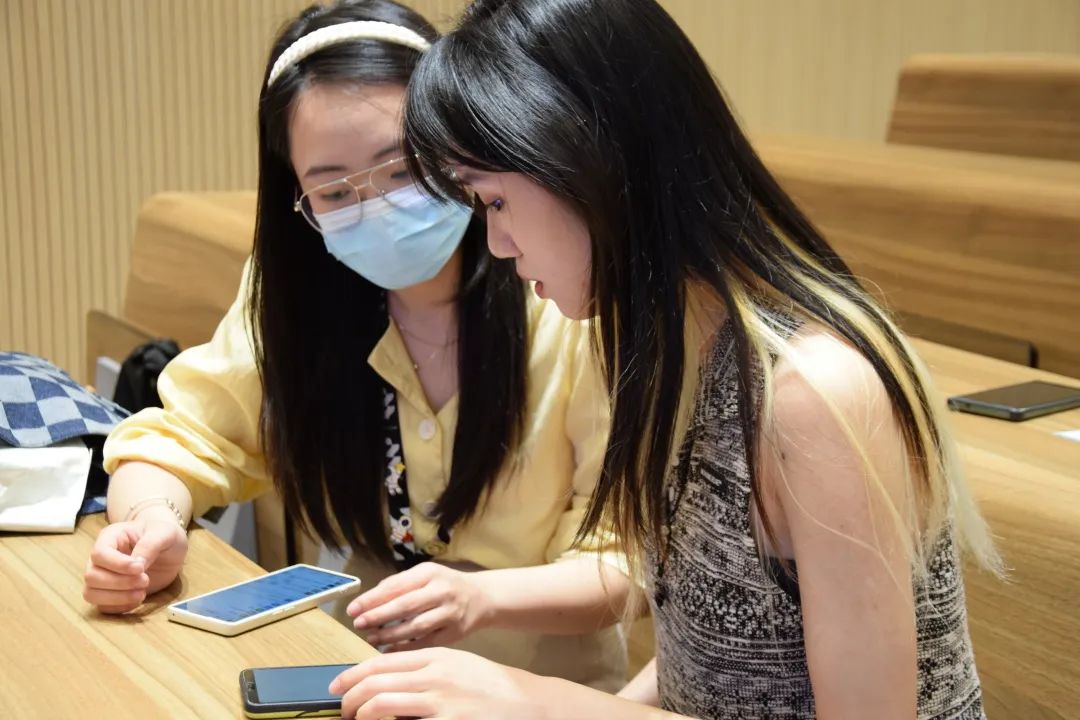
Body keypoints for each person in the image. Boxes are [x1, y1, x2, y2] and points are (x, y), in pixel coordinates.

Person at [328, 0, 1003, 718]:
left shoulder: (814, 395)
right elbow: (704, 656)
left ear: (586, 161)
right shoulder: (663, 348)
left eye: (493, 201)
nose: (496, 244)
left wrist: (543, 703)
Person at [80, 0, 630, 691]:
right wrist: (149, 523)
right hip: (363, 678)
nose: (377, 208)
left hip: (541, 692)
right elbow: (184, 438)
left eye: (402, 170)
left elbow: (626, 560)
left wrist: (480, 598)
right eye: (335, 192)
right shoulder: (300, 296)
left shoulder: (563, 296)